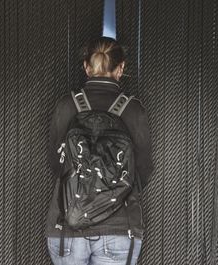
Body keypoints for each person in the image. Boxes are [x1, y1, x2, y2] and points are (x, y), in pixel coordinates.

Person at [45, 36, 154, 265]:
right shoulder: (133, 110)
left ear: (86, 67)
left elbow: (56, 164)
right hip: (119, 227)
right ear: (121, 68)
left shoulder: (67, 105)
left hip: (67, 226)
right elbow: (143, 169)